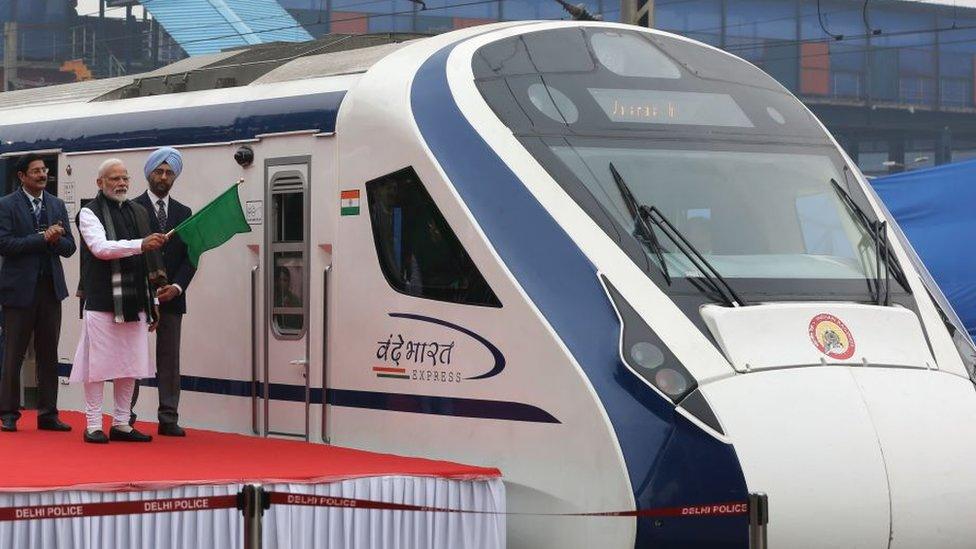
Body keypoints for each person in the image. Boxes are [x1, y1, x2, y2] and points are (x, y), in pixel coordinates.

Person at [70, 158, 168, 444]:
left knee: (130, 364)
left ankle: (122, 423)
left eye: (125, 178)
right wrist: (140, 244)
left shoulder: (139, 211)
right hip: (102, 300)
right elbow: (100, 248)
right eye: (115, 179)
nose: (122, 183)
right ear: (100, 183)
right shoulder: (89, 213)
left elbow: (151, 261)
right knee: (98, 366)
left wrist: (155, 305)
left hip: (137, 300)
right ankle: (93, 424)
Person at [0, 153, 76, 432]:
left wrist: (55, 240)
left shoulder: (55, 205)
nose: (43, 175)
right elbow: (5, 244)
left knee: (48, 353)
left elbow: (70, 248)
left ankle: (48, 414)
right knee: (13, 353)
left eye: (44, 170)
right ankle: (8, 413)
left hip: (49, 288)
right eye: (36, 171)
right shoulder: (6, 205)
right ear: (22, 176)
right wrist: (41, 238)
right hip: (18, 290)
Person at [129, 147, 195, 437]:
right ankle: (124, 415)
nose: (164, 176)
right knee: (132, 357)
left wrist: (177, 287)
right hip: (138, 297)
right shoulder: (131, 210)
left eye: (169, 172)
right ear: (149, 174)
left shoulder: (184, 213)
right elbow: (127, 254)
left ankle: (168, 417)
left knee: (169, 360)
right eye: (159, 171)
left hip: (172, 298)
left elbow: (191, 257)